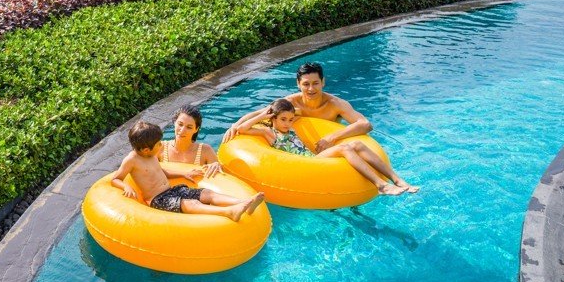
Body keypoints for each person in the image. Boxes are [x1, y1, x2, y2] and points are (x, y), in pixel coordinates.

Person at [237, 99, 418, 196]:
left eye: (290, 119)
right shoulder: (269, 133)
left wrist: (291, 116)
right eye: (282, 120)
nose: (287, 123)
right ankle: (381, 185)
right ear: (273, 119)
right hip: (305, 164)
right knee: (345, 149)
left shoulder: (291, 127)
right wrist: (263, 113)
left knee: (356, 144)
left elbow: (300, 111)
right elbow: (241, 129)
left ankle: (397, 179)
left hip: (313, 157)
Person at [111, 121, 265, 221]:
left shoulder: (152, 155)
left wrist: (183, 174)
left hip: (171, 191)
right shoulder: (131, 160)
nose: (161, 146)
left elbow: (160, 171)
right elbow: (116, 178)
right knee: (191, 203)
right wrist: (126, 186)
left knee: (206, 193)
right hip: (157, 200)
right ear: (145, 149)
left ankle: (244, 202)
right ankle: (228, 212)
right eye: (158, 144)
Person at [222, 62, 371, 152]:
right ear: (298, 84)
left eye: (315, 83)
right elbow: (260, 113)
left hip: (329, 150)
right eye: (306, 84)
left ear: (323, 82)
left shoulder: (335, 104)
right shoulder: (290, 103)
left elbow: (365, 124)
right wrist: (235, 125)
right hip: (299, 151)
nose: (311, 89)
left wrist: (331, 137)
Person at [161, 104, 222, 179]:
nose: (182, 130)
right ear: (174, 123)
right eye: (180, 124)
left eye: (189, 127)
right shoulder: (160, 148)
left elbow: (221, 177)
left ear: (196, 129)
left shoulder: (205, 151)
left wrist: (217, 165)